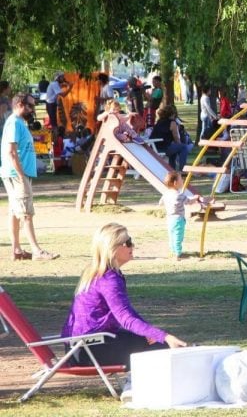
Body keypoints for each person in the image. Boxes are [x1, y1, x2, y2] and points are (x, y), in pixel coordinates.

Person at [61, 223, 187, 370]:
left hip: (81, 348)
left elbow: (129, 313)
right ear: (112, 248)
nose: (132, 246)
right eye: (127, 243)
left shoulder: (99, 273)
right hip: (89, 351)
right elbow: (126, 319)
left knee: (152, 340)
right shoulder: (108, 279)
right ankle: (133, 385)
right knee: (163, 347)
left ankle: (132, 383)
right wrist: (164, 337)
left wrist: (152, 333)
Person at [1, 94, 59, 261]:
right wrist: (21, 175)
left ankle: (17, 250)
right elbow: (11, 152)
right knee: (26, 213)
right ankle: (37, 251)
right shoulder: (13, 123)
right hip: (17, 174)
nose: (33, 110)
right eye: (31, 106)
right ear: (20, 104)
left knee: (14, 212)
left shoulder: (18, 123)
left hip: (15, 173)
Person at [160, 171, 205, 260]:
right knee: (178, 236)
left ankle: (173, 251)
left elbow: (161, 202)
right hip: (178, 219)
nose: (183, 181)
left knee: (171, 235)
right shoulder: (179, 195)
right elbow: (189, 202)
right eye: (181, 179)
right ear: (175, 183)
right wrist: (196, 197)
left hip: (169, 218)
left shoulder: (166, 193)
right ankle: (178, 253)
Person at [150, 105, 192, 171]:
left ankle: (172, 170)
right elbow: (177, 139)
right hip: (164, 148)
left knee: (175, 149)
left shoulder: (159, 122)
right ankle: (183, 169)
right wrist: (181, 146)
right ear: (173, 114)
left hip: (154, 146)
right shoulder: (172, 123)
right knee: (184, 147)